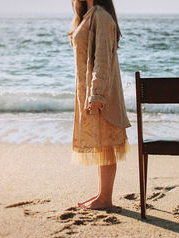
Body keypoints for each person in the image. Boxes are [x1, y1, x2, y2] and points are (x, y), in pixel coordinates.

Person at [68, 0, 131, 209]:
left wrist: (97, 94)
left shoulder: (101, 16)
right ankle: (102, 195)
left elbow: (102, 58)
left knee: (106, 145)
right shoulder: (87, 15)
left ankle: (105, 198)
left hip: (100, 93)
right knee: (102, 144)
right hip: (89, 91)